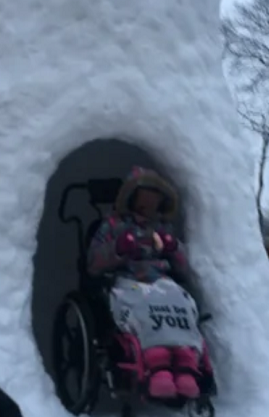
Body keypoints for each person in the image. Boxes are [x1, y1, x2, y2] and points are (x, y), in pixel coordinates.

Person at [87, 166, 207, 401]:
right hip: (126, 280)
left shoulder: (162, 228)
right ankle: (157, 364)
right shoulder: (112, 225)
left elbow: (183, 267)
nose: (150, 203)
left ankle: (185, 365)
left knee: (180, 303)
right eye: (146, 196)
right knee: (143, 308)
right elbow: (93, 262)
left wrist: (174, 248)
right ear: (133, 197)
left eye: (155, 197)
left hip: (162, 281)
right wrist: (118, 248)